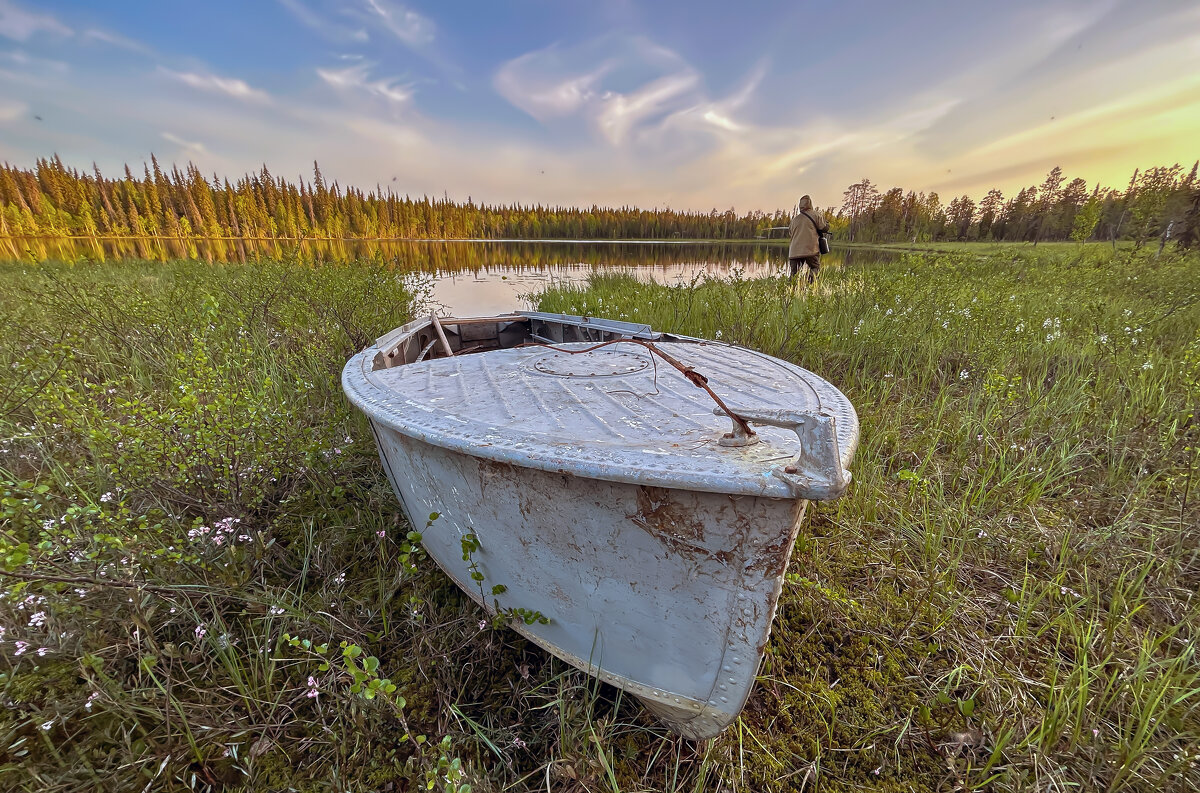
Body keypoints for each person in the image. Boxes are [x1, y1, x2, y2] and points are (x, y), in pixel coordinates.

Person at [787, 195, 829, 283]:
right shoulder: (816, 215)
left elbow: (790, 233)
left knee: (793, 274)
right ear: (810, 204)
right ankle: (808, 282)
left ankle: (791, 291)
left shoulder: (794, 220)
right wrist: (827, 224)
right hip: (811, 250)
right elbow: (824, 228)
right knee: (815, 268)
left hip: (794, 251)